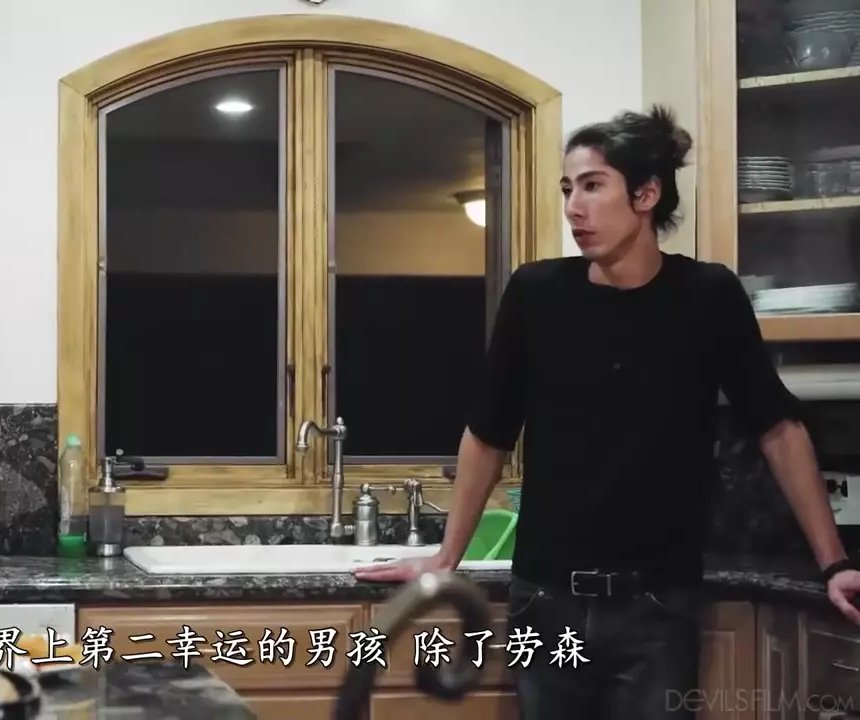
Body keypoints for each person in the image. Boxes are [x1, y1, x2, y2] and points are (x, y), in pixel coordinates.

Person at [354, 105, 860, 718]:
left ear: (646, 194)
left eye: (593, 186)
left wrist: (834, 562)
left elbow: (778, 428)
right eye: (568, 189)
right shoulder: (536, 293)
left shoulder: (707, 296)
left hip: (658, 604)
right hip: (546, 602)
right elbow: (488, 434)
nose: (574, 207)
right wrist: (445, 557)